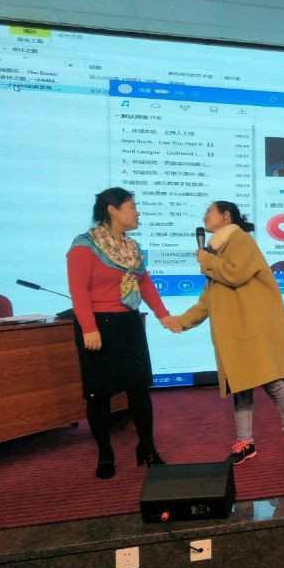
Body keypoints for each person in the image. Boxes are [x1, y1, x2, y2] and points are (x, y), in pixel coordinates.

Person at [174, 201, 284, 464]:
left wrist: (207, 260)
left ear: (226, 217)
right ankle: (245, 442)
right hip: (233, 331)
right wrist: (182, 321)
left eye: (209, 212)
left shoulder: (241, 240)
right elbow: (208, 298)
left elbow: (236, 274)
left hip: (254, 326)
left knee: (272, 382)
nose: (204, 216)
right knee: (241, 386)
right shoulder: (216, 250)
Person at [66, 187, 181, 479]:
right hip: (97, 326)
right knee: (99, 395)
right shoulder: (85, 245)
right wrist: (89, 328)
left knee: (139, 389)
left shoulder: (132, 248)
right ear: (112, 209)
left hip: (129, 322)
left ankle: (147, 449)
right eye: (132, 206)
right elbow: (78, 291)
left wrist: (164, 315)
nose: (137, 212)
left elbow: (145, 284)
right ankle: (105, 454)